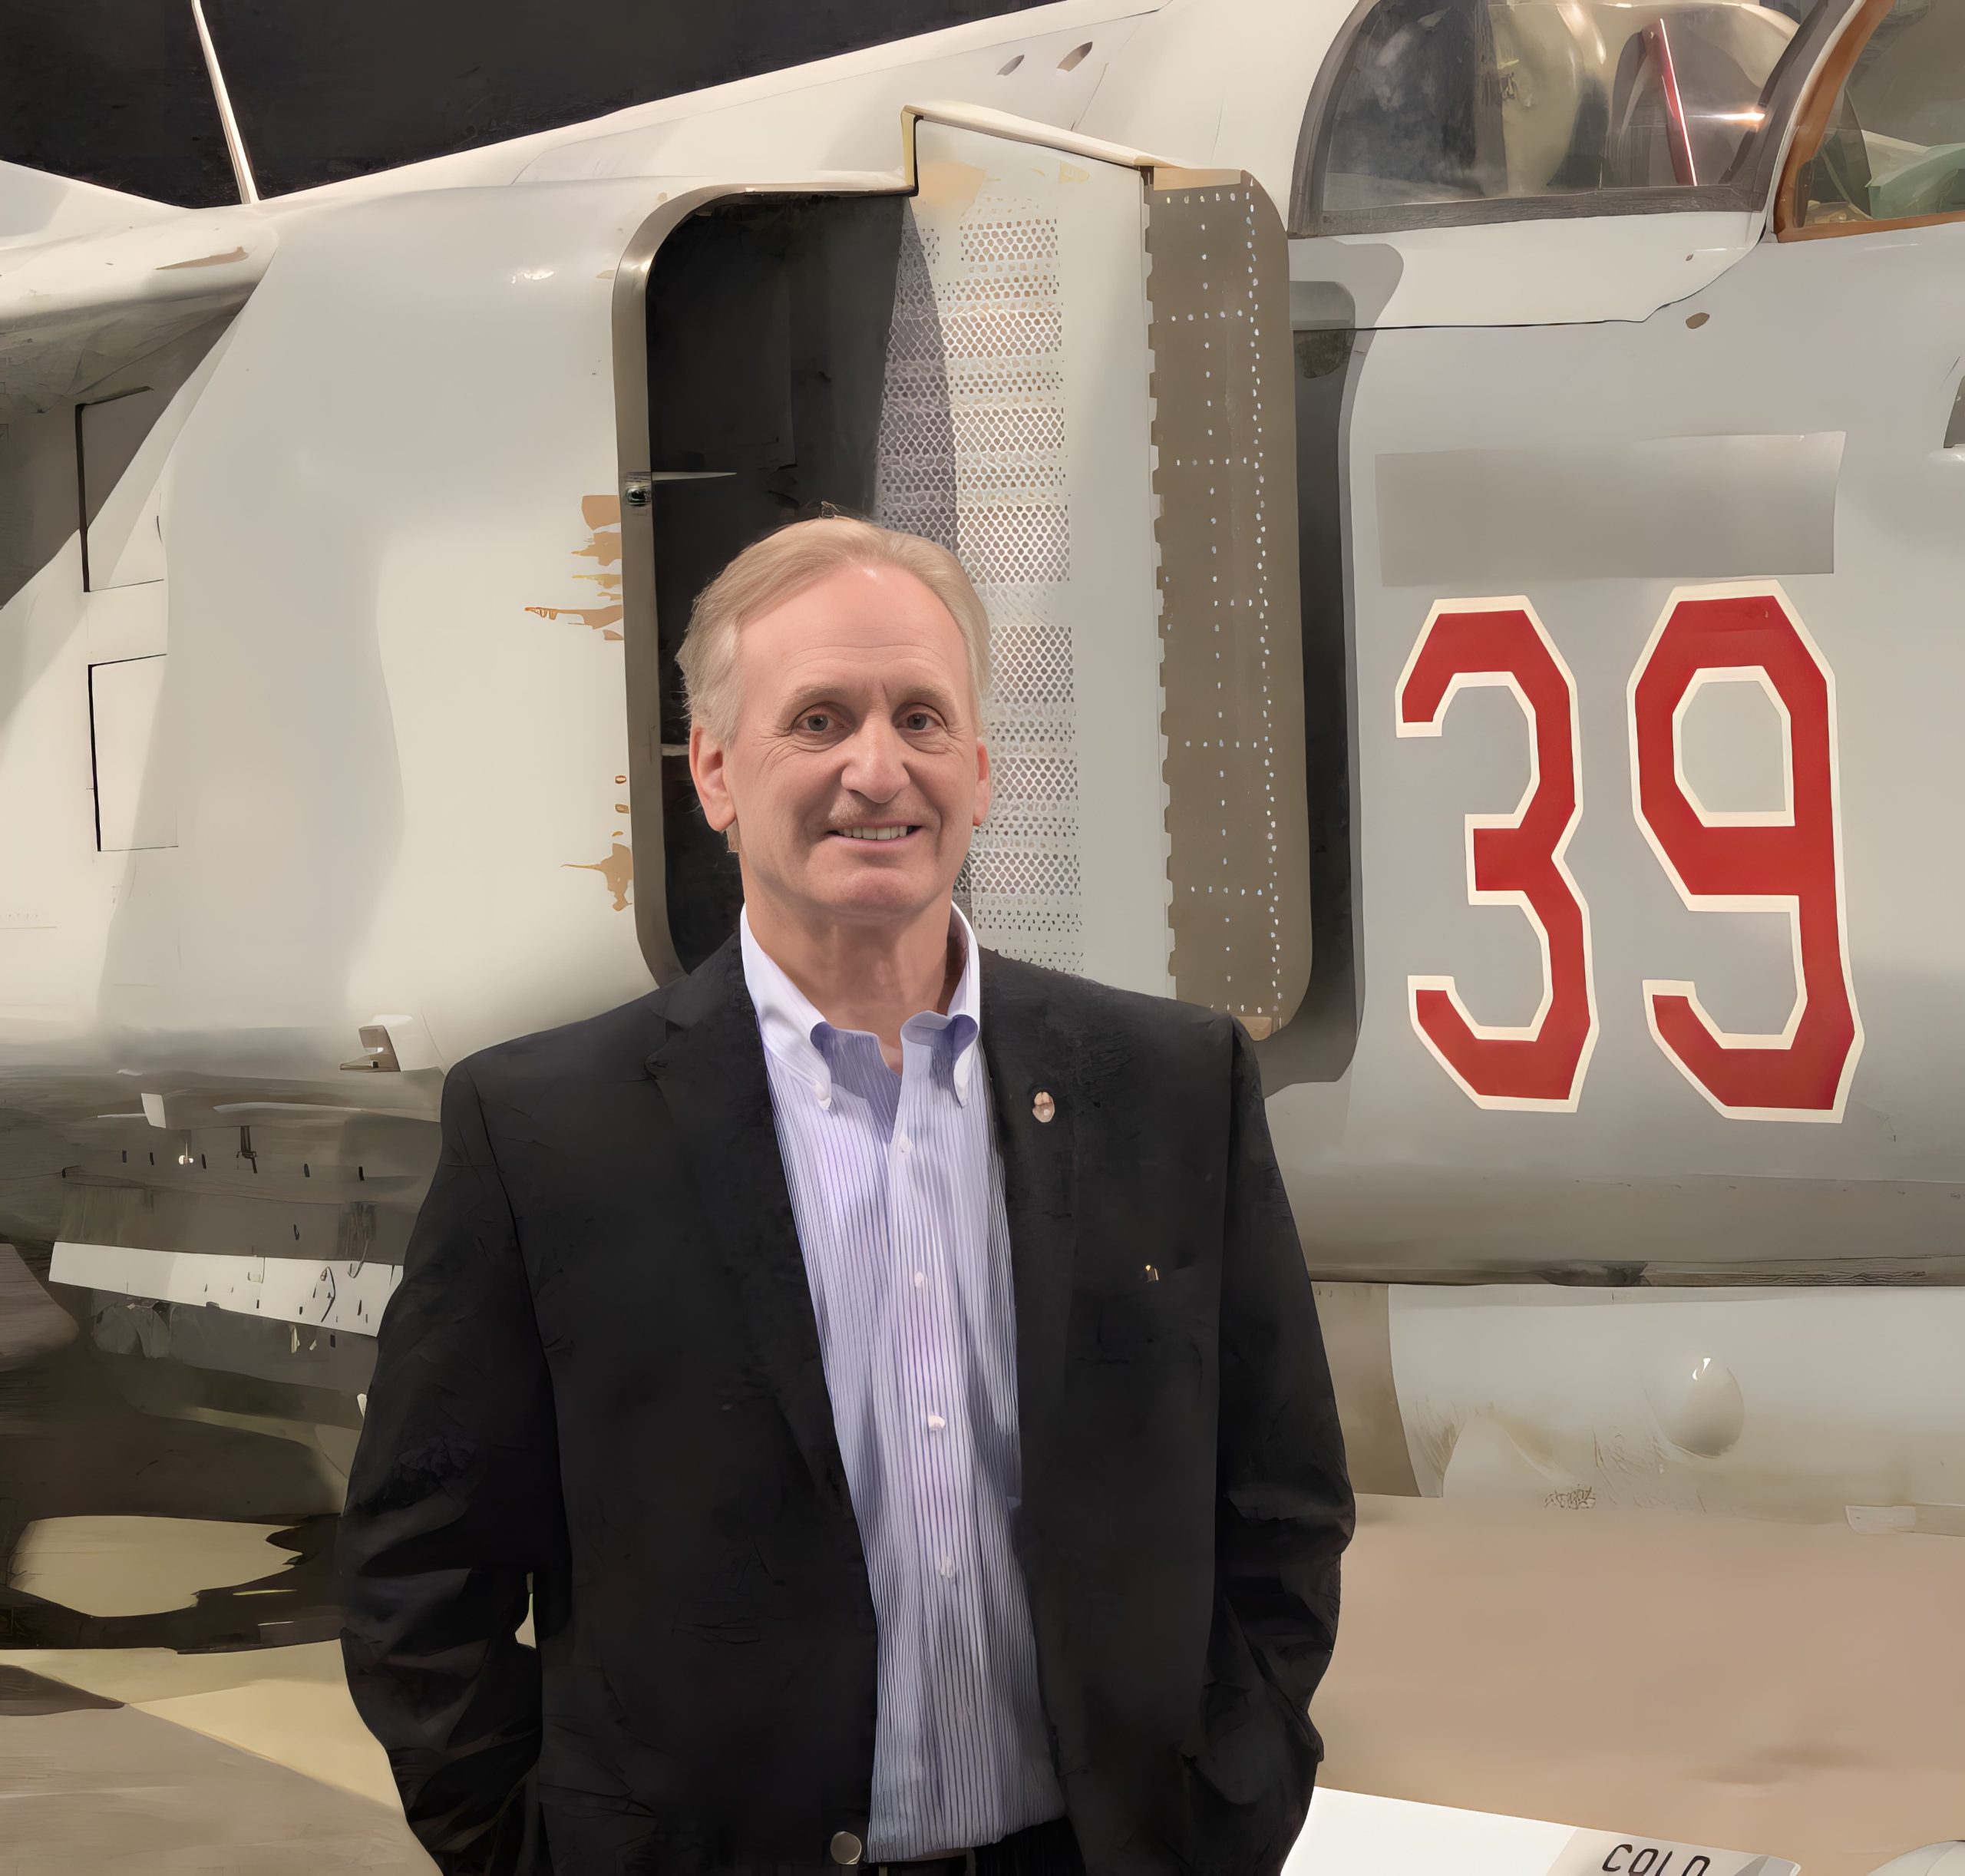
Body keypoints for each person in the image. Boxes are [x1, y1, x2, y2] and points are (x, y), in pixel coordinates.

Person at [338, 515, 1354, 1876]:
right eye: (818, 720)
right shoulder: (545, 1133)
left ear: (982, 771)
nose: (879, 769)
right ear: (713, 771)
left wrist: (1234, 1799)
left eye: (922, 719)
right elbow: (421, 1572)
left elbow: (1280, 1506)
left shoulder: (1169, 1087)